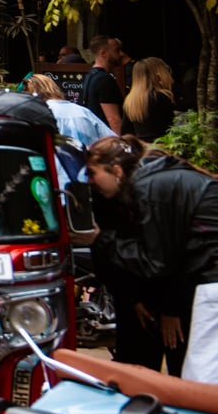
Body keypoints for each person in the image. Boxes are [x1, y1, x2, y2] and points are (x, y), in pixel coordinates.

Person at [86, 135, 218, 379]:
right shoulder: (152, 182)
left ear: (116, 170)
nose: (90, 182)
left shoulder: (149, 188)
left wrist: (99, 239)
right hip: (199, 279)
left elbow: (159, 259)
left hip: (208, 281)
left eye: (93, 173)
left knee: (202, 373)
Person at [24, 74, 114, 184]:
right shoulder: (84, 112)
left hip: (54, 182)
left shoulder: (39, 115)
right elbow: (112, 141)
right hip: (88, 179)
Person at [84, 34, 130, 133]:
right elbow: (113, 119)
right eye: (116, 50)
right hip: (109, 139)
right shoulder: (104, 80)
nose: (121, 54)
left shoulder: (91, 76)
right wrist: (124, 144)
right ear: (103, 53)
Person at [127, 57, 179, 143]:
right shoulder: (161, 96)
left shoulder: (130, 101)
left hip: (143, 148)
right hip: (162, 145)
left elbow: (125, 130)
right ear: (159, 75)